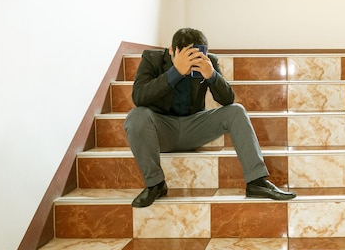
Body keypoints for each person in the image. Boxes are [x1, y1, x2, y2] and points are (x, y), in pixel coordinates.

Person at [124, 27, 296, 208]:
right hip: (162, 129)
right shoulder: (152, 59)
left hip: (194, 127)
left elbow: (227, 99)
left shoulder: (209, 62)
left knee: (236, 111)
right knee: (136, 116)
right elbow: (139, 97)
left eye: (196, 55)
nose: (192, 60)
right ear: (171, 50)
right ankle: (155, 184)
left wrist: (211, 75)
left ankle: (257, 182)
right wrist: (175, 72)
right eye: (185, 55)